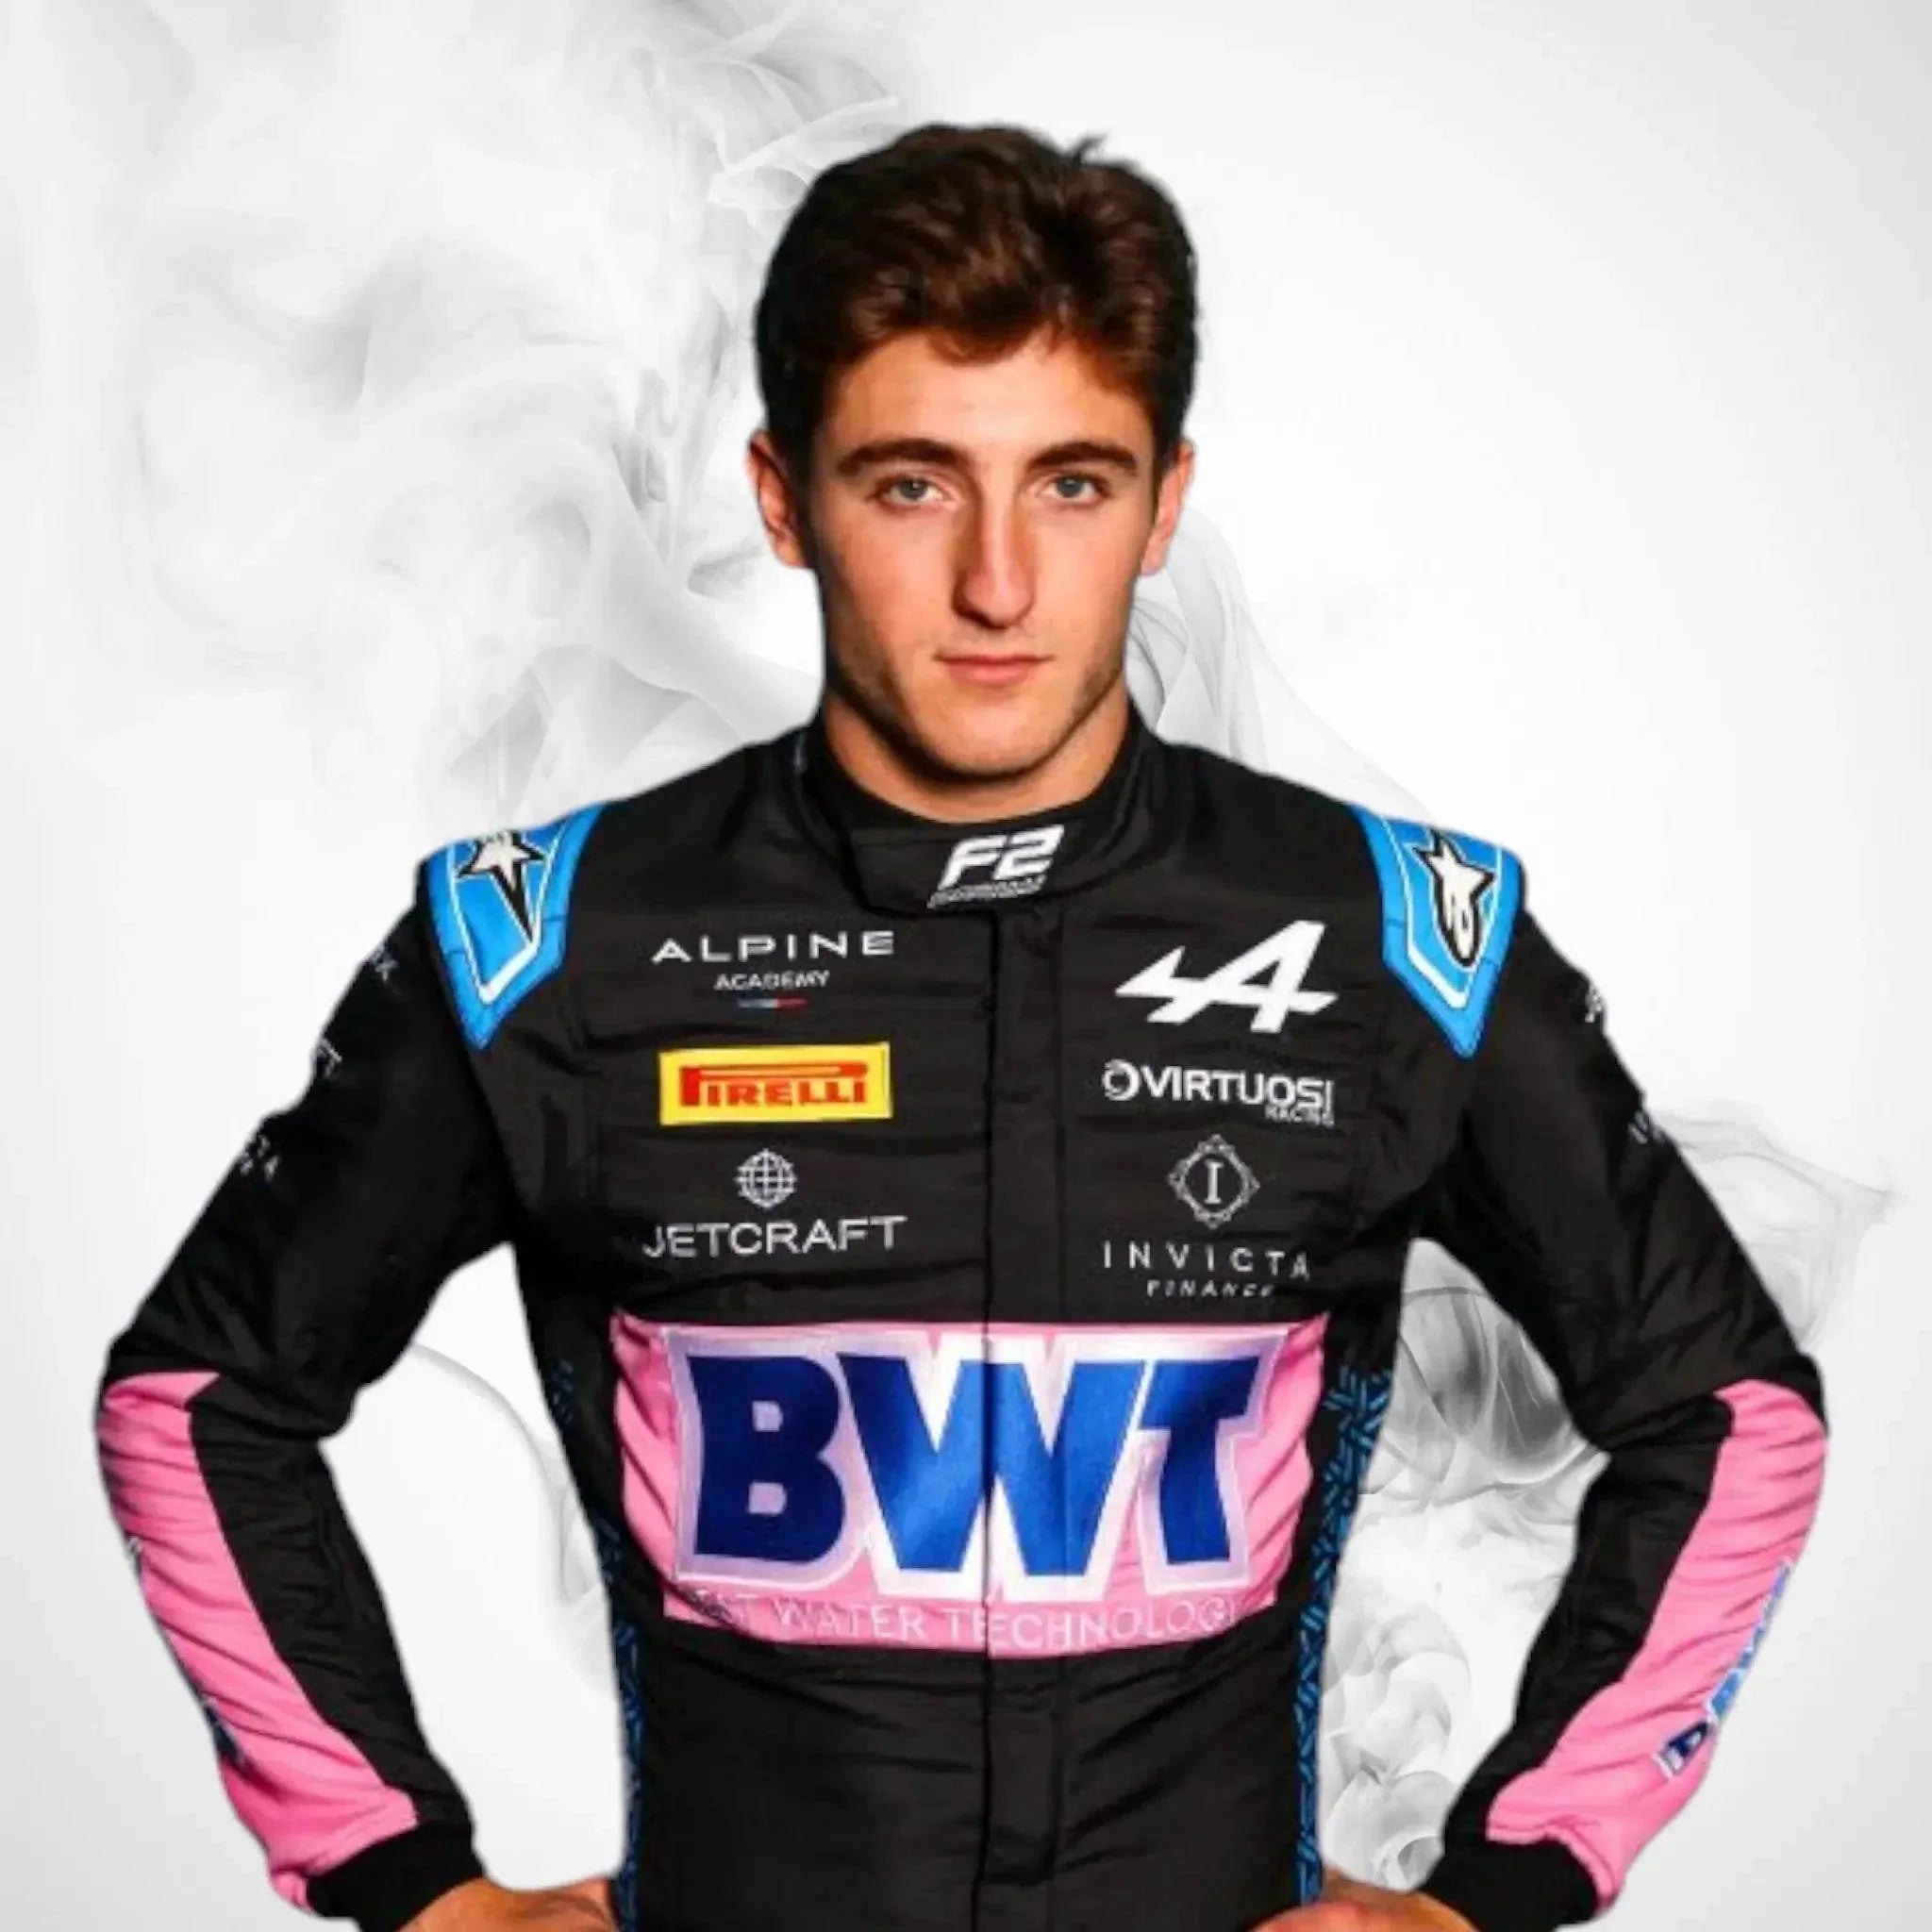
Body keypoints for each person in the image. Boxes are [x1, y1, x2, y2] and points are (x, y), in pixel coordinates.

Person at [92, 123, 1828, 1932]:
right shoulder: (546, 941)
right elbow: (203, 1397)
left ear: (1165, 503)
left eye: (1071, 484)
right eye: (914, 484)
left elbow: (1728, 1414)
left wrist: (1506, 1883)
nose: (999, 583)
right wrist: (411, 1880)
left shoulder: (1396, 938)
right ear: (783, 499)